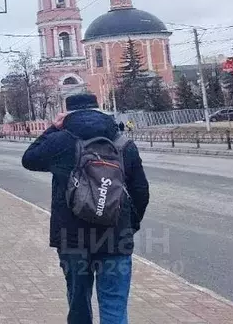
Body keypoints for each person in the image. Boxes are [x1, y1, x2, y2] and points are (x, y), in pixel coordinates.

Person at [21, 93, 150, 324]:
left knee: (79, 305)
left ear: (67, 113)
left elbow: (29, 159)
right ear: (98, 109)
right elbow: (140, 191)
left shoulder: (60, 141)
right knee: (114, 308)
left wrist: (52, 127)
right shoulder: (122, 142)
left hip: (72, 241)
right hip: (115, 238)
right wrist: (130, 225)